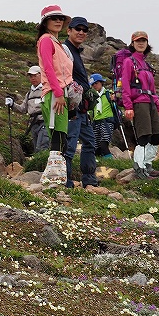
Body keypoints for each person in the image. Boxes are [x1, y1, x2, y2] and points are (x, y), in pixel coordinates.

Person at [35, 5, 74, 184]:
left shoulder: (56, 43)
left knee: (61, 134)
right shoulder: (45, 40)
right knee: (57, 134)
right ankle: (53, 179)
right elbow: (49, 69)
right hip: (54, 92)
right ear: (45, 22)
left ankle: (56, 178)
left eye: (60, 18)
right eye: (54, 18)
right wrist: (58, 93)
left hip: (60, 93)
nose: (58, 21)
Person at [120, 31, 159, 179]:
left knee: (157, 134)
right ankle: (139, 168)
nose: (141, 43)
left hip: (151, 102)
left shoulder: (146, 64)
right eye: (138, 41)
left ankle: (147, 165)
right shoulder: (129, 62)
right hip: (139, 103)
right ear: (132, 44)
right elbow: (125, 85)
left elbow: (153, 89)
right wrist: (128, 106)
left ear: (147, 44)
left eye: (143, 41)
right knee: (144, 135)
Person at [62, 16, 99, 188]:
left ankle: (89, 179)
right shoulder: (65, 49)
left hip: (82, 107)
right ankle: (66, 180)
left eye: (85, 30)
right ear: (69, 30)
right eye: (78, 29)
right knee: (70, 143)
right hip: (72, 105)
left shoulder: (75, 51)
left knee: (90, 141)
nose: (82, 32)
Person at [9, 65, 49, 154]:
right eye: (31, 76)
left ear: (41, 75)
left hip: (44, 122)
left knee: (41, 148)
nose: (32, 78)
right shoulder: (29, 93)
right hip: (33, 125)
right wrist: (12, 104)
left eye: (35, 75)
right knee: (36, 148)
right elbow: (23, 109)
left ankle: (41, 166)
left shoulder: (46, 89)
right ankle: (39, 166)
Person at [88, 73, 116, 159]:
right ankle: (100, 163)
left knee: (104, 143)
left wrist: (115, 99)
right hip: (96, 123)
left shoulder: (109, 94)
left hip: (107, 122)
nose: (94, 86)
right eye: (92, 84)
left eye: (96, 83)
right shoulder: (92, 97)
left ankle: (110, 162)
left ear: (101, 83)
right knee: (96, 148)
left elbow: (118, 101)